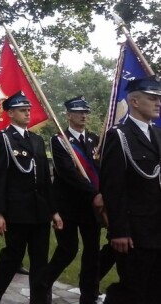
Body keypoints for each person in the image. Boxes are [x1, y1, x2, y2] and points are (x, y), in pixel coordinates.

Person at [0, 91, 62, 304]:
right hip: (17, 211)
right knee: (12, 258)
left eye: (28, 110)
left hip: (39, 212)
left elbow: (45, 178)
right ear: (10, 113)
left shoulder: (36, 140)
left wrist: (53, 210)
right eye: (22, 110)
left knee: (40, 262)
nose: (27, 113)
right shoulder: (4, 139)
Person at [101, 76, 161, 304]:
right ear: (135, 102)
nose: (158, 103)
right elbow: (113, 187)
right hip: (135, 231)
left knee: (156, 290)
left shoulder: (158, 135)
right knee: (131, 291)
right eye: (152, 98)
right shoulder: (120, 135)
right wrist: (118, 230)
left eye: (159, 99)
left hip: (157, 227)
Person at [45, 96, 102, 303]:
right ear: (68, 115)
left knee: (92, 254)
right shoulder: (59, 140)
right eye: (79, 112)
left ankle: (89, 295)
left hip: (90, 208)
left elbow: (99, 171)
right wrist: (94, 193)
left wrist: (101, 195)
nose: (83, 115)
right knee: (68, 250)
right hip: (68, 206)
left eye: (86, 112)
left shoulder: (95, 139)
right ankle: (45, 283)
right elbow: (67, 173)